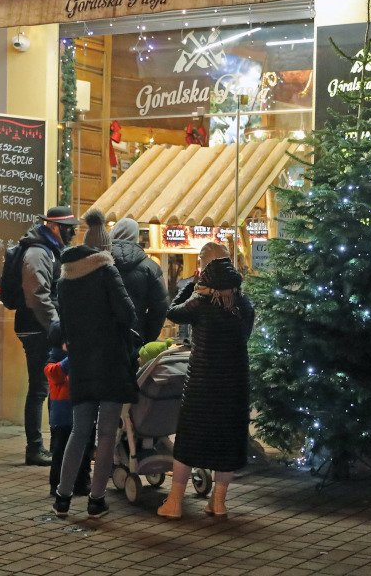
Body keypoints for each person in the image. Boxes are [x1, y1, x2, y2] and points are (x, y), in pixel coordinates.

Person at [157, 244, 254, 519]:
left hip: (202, 383)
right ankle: (219, 502)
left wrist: (190, 286)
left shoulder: (199, 304)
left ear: (206, 267)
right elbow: (244, 337)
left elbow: (172, 311)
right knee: (228, 441)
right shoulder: (244, 305)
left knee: (188, 441)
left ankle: (174, 502)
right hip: (234, 385)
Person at [52, 216, 137, 519]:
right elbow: (127, 314)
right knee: (105, 435)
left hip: (81, 363)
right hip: (111, 362)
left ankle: (62, 497)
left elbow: (61, 323)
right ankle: (96, 500)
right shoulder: (106, 271)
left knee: (79, 430)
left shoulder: (65, 278)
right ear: (104, 248)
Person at [15, 206, 80, 466]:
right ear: (54, 227)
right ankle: (35, 447)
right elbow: (37, 295)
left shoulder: (47, 249)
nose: (73, 232)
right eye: (69, 228)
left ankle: (53, 443)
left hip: (41, 326)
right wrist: (56, 327)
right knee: (41, 388)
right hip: (37, 328)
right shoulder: (38, 252)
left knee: (48, 386)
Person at [44, 323, 92, 498]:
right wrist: (72, 357)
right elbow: (55, 373)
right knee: (60, 454)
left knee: (84, 451)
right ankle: (56, 485)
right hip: (62, 419)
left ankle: (81, 483)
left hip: (77, 413)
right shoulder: (54, 362)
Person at [109, 217, 168, 344]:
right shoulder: (151, 267)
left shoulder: (96, 262)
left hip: (101, 338)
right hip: (135, 337)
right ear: (136, 236)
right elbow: (161, 307)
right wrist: (146, 336)